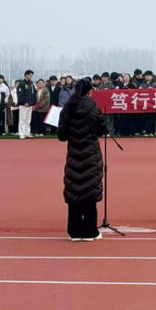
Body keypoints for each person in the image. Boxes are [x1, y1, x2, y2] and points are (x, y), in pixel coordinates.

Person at [57, 78, 106, 242]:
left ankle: (75, 231)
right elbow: (101, 129)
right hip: (91, 153)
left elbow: (61, 135)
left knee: (74, 190)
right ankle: (90, 231)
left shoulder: (68, 107)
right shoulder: (93, 106)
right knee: (90, 190)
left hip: (74, 153)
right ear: (89, 91)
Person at [16, 70, 37, 139]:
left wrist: (33, 103)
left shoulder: (31, 83)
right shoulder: (21, 83)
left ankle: (27, 133)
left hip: (30, 105)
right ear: (26, 75)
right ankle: (21, 133)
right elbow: (20, 94)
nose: (31, 77)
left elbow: (33, 94)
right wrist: (24, 102)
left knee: (28, 119)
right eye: (30, 75)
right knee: (22, 119)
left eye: (32, 75)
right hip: (23, 105)